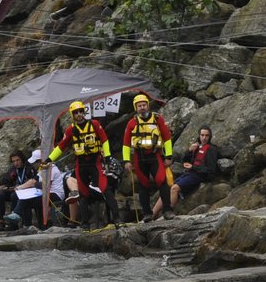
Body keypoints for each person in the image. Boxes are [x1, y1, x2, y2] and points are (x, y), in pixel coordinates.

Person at [48, 100, 115, 228]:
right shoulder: (70, 130)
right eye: (76, 112)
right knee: (82, 193)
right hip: (81, 163)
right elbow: (60, 147)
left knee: (106, 189)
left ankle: (117, 219)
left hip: (95, 161)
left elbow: (104, 140)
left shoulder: (94, 124)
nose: (79, 114)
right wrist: (49, 160)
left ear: (84, 113)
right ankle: (84, 224)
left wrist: (107, 156)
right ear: (73, 115)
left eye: (80, 112)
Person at [123, 92, 175, 220]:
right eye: (139, 106)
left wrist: (168, 157)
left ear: (148, 106)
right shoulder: (131, 123)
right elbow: (125, 143)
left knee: (162, 181)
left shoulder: (158, 119)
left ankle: (167, 211)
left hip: (154, 155)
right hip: (139, 157)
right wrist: (126, 161)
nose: (142, 107)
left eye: (144, 105)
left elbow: (167, 139)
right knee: (143, 185)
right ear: (136, 108)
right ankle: (147, 214)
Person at [168, 126, 218, 212]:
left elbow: (210, 170)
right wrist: (189, 151)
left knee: (174, 189)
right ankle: (153, 214)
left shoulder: (212, 149)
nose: (204, 138)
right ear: (199, 135)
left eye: (207, 135)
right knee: (167, 189)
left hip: (198, 176)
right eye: (202, 135)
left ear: (210, 137)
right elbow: (183, 161)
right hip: (189, 173)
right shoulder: (197, 146)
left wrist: (193, 167)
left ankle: (168, 212)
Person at [0, 149, 41, 230]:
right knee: (1, 195)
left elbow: (32, 183)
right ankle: (2, 221)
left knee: (14, 196)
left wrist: (17, 187)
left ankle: (13, 224)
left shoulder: (29, 168)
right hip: (14, 190)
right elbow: (4, 182)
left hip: (26, 192)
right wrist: (5, 187)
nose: (15, 163)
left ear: (22, 159)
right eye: (13, 161)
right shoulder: (13, 169)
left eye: (17, 160)